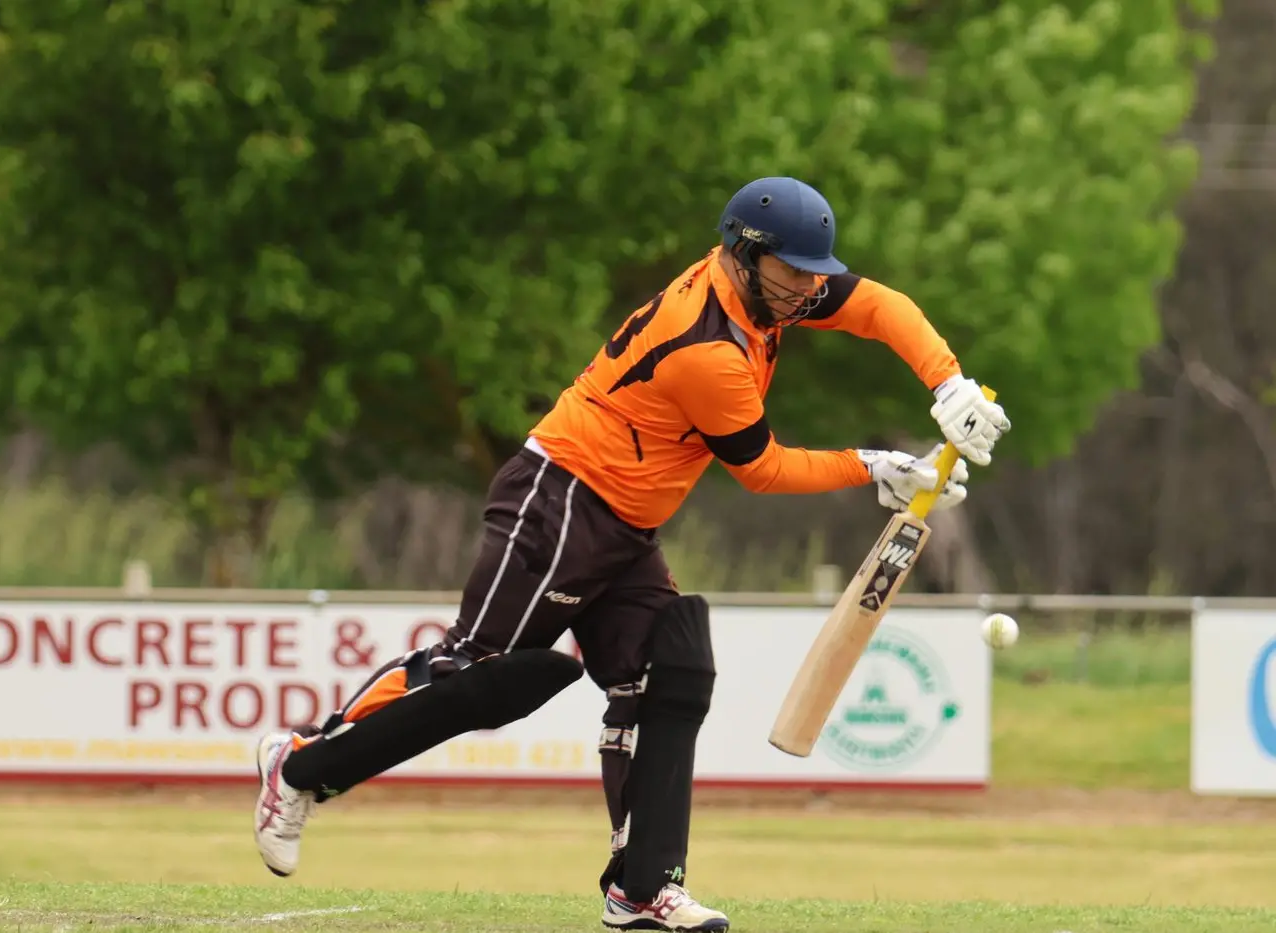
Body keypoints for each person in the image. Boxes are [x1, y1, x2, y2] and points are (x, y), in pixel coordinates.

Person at [250, 176, 1010, 932]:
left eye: (819, 270)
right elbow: (761, 468)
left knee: (670, 673)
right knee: (477, 677)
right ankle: (300, 764)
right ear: (744, 255)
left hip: (624, 523)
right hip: (560, 502)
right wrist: (870, 465)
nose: (810, 287)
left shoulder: (773, 289)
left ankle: (643, 890)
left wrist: (947, 382)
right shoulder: (704, 347)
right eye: (794, 270)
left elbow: (882, 306)